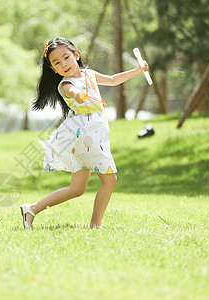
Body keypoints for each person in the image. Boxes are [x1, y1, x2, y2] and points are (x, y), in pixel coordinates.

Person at [20, 37, 148, 229]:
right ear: (54, 69)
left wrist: (137, 71)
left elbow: (113, 80)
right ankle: (95, 225)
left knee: (77, 189)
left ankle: (31, 209)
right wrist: (78, 95)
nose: (63, 64)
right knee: (110, 179)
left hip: (92, 134)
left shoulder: (90, 74)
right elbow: (71, 91)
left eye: (66, 57)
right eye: (57, 63)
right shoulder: (65, 84)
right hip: (86, 136)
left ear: (76, 55)